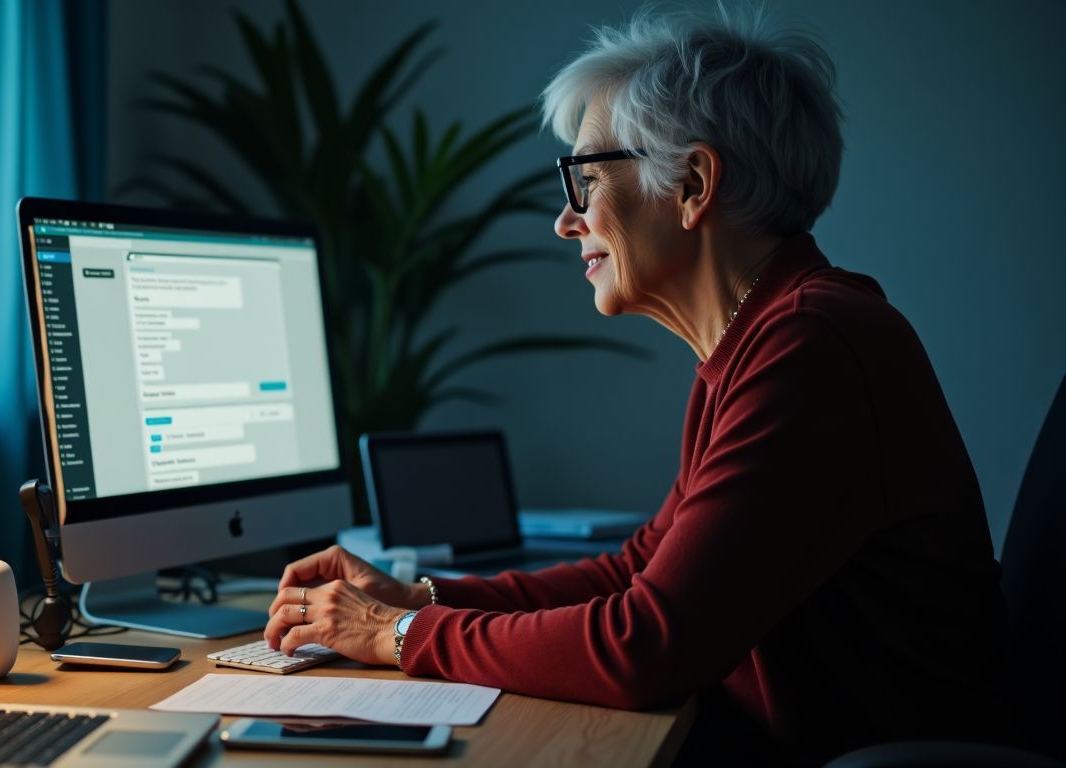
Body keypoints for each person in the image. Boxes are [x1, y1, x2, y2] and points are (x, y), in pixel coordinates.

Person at [263, 7, 1008, 764]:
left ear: (691, 183)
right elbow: (635, 573)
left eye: (584, 180)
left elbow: (645, 645)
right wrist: (415, 597)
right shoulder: (758, 339)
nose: (565, 220)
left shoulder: (811, 346)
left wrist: (394, 636)